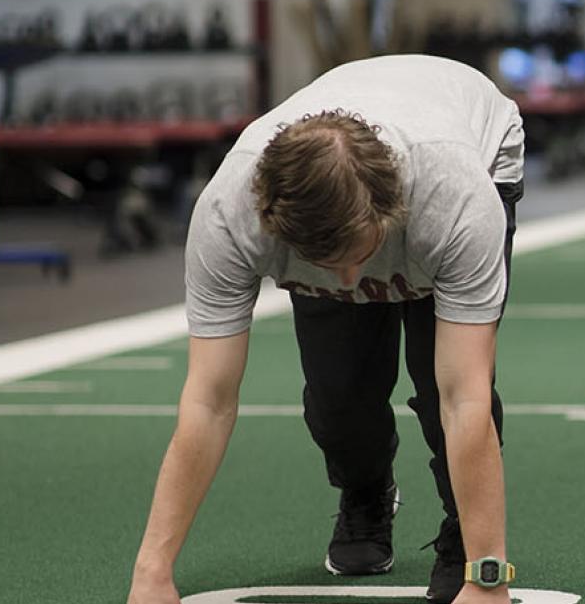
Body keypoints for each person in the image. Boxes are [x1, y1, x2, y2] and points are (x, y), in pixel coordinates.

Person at [126, 55, 525, 604]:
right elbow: (208, 401)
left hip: (470, 145)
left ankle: (462, 537)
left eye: (358, 255)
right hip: (350, 204)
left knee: (443, 394)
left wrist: (488, 578)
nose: (353, 281)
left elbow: (465, 398)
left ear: (388, 212)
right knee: (338, 401)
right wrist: (152, 573)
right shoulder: (228, 215)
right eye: (327, 264)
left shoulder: (456, 200)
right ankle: (366, 492)